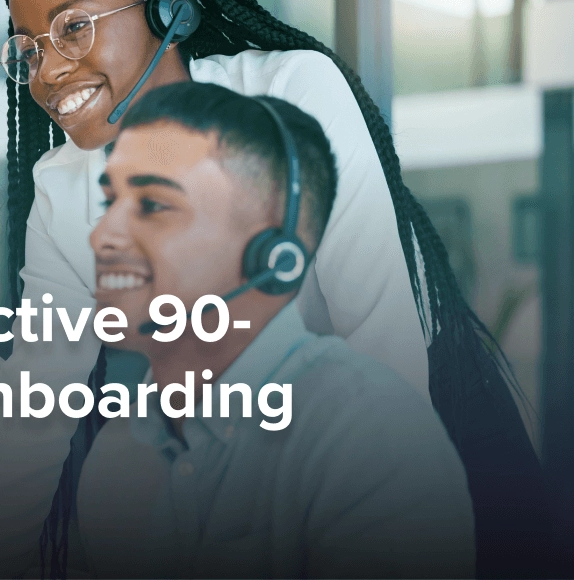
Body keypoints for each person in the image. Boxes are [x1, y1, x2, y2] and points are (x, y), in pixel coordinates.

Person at [0, 0, 545, 577]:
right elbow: (35, 411)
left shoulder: (292, 90)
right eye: (28, 51)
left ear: (169, 9)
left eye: (73, 29)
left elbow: (384, 337)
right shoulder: (63, 185)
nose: (47, 72)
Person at [77, 80, 474, 578]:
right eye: (108, 202)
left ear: (273, 256)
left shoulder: (371, 435)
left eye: (152, 205)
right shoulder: (118, 456)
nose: (102, 235)